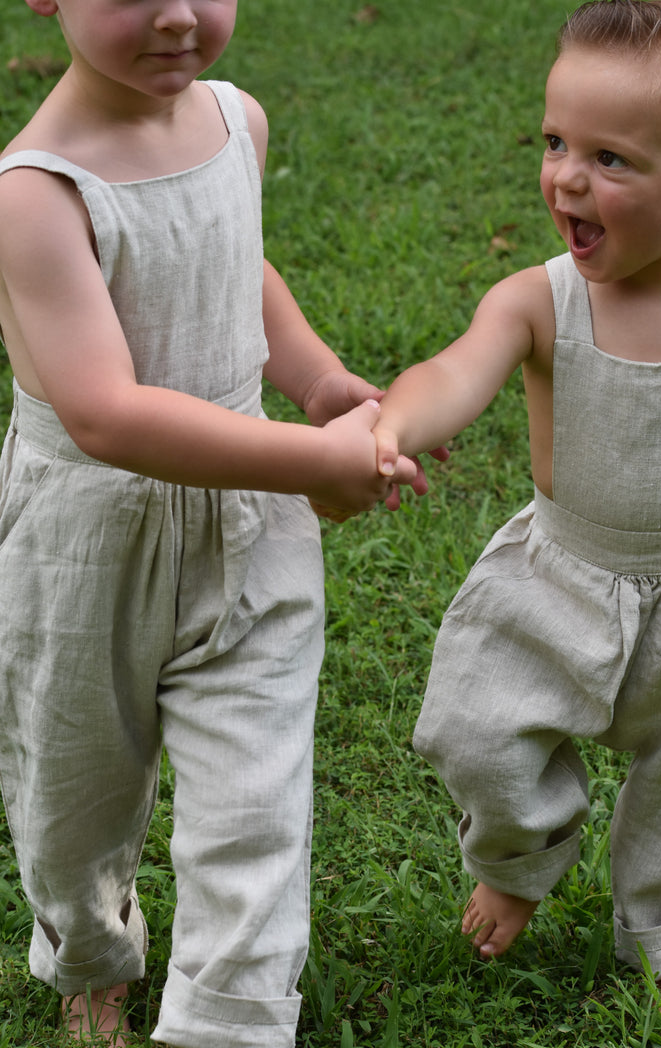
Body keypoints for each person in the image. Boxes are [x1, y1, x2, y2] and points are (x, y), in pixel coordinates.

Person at [0, 1, 420, 1046]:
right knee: (73, 802)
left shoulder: (238, 120)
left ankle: (226, 1023)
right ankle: (92, 953)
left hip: (251, 526)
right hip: (87, 546)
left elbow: (245, 265)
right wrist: (314, 461)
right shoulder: (34, 194)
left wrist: (317, 378)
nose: (179, 13)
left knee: (255, 806)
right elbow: (106, 413)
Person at [374, 0, 661, 1025]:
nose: (567, 178)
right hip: (560, 578)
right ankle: (516, 861)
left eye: (612, 159)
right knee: (474, 731)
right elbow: (457, 370)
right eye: (555, 143)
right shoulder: (540, 299)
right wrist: (399, 420)